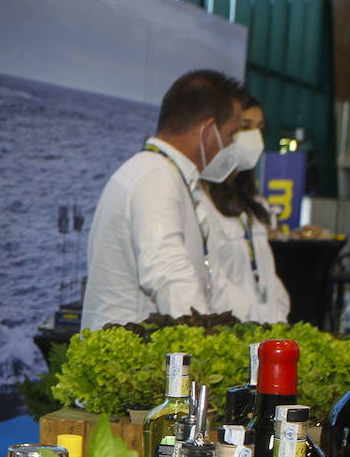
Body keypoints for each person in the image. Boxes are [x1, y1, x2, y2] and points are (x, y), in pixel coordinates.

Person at [81, 69, 245, 331]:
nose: (229, 145)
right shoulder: (157, 178)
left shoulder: (163, 174)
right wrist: (203, 341)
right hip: (134, 365)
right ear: (208, 130)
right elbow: (169, 274)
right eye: (230, 134)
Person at [201, 95, 290, 323]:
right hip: (229, 328)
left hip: (266, 328)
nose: (255, 137)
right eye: (245, 127)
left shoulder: (254, 203)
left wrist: (278, 316)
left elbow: (268, 274)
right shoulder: (201, 199)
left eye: (259, 127)